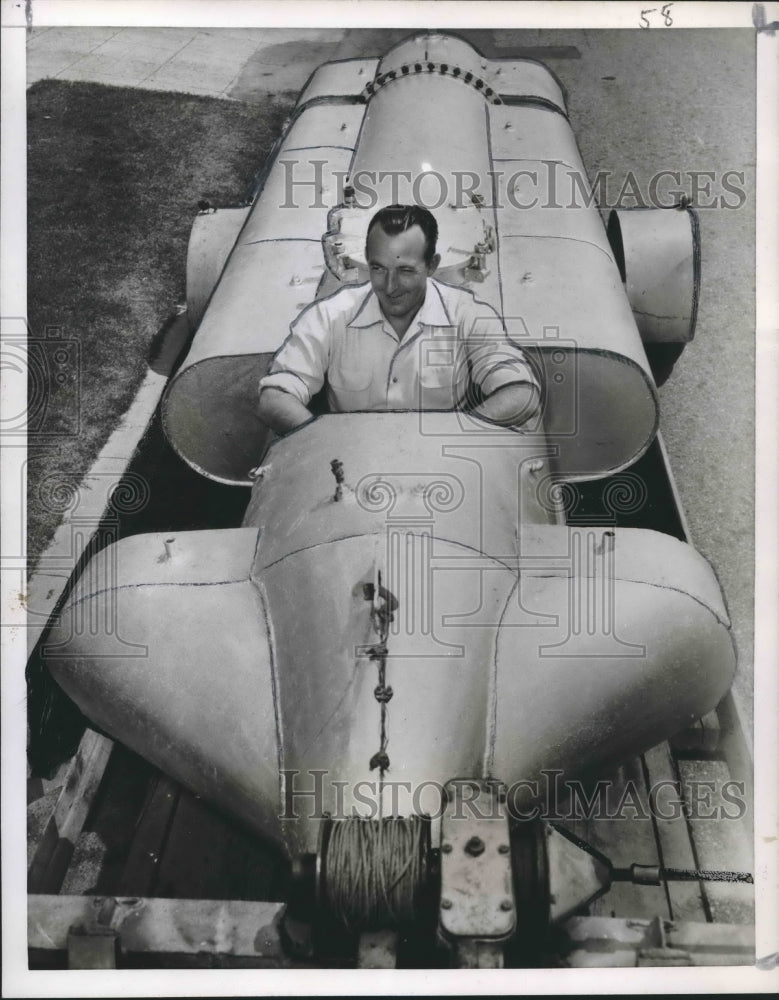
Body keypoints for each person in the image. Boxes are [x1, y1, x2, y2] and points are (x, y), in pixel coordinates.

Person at [258, 204, 541, 434]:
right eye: (378, 269)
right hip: (348, 462)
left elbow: (521, 393)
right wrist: (318, 442)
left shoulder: (468, 315)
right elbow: (275, 396)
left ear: (432, 266)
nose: (390, 286)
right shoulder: (329, 316)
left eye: (405, 271)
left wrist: (460, 435)